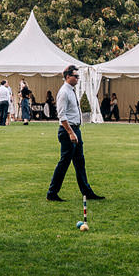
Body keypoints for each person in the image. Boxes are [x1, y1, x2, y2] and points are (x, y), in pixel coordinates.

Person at [46, 65, 104, 202]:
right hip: (68, 131)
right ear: (67, 77)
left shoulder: (71, 90)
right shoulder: (64, 92)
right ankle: (52, 193)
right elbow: (62, 116)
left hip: (75, 129)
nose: (78, 78)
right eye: (75, 76)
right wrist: (71, 133)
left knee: (79, 162)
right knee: (64, 163)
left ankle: (87, 192)